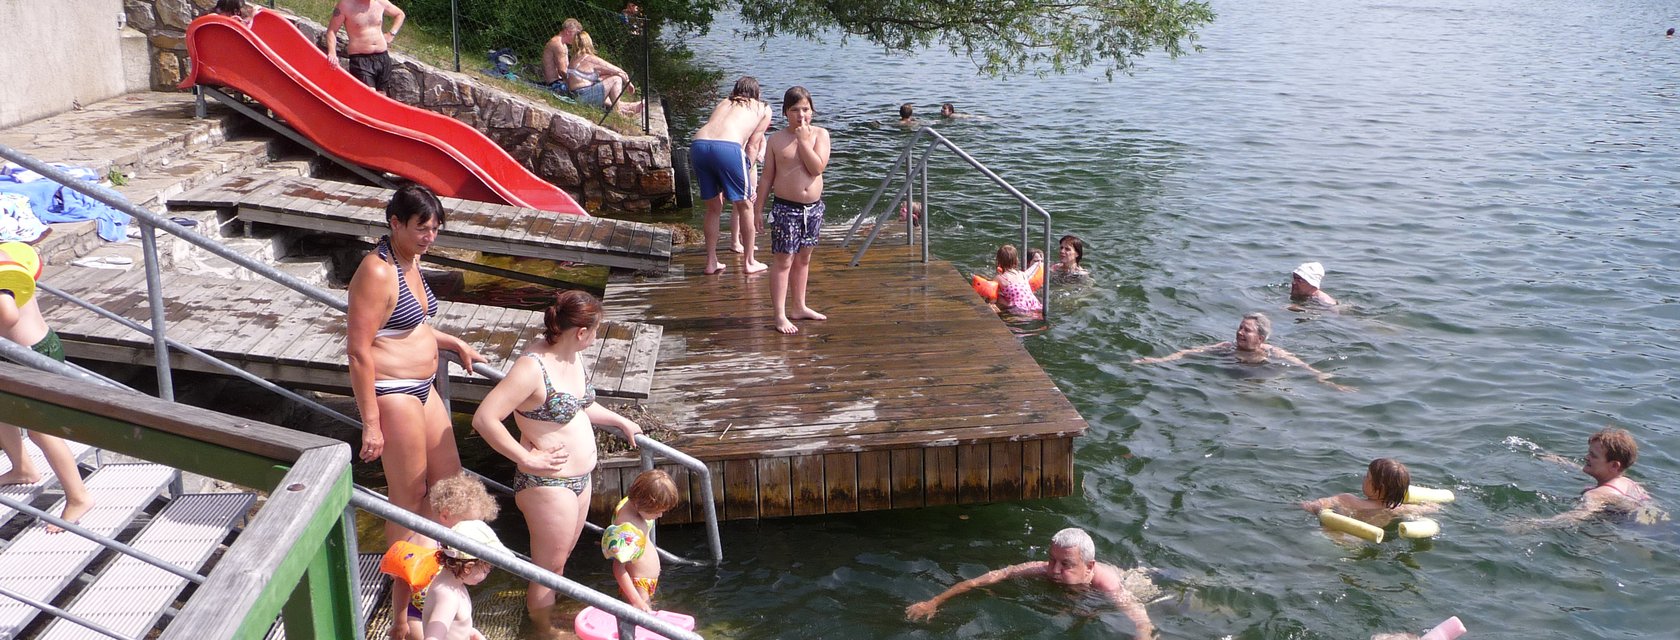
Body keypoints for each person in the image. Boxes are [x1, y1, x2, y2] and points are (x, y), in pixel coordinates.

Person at [470, 290, 642, 638]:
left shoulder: (572, 355)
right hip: (548, 485)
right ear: (581, 332)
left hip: (579, 479)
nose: (596, 336)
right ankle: (542, 630)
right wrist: (527, 458)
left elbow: (579, 406)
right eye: (596, 330)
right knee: (548, 568)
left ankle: (544, 620)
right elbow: (485, 419)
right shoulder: (533, 368)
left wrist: (619, 421)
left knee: (559, 563)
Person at [347, 185, 487, 551]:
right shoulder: (377, 272)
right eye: (422, 228)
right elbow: (359, 351)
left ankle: (426, 562)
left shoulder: (410, 258)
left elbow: (412, 324)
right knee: (409, 495)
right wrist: (372, 425)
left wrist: (454, 342)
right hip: (394, 392)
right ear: (395, 223)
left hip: (425, 388)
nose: (430, 237)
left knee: (447, 483)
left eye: (436, 229)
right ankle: (403, 594)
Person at [904, 527, 1155, 637]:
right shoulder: (1041, 569)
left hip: (1138, 580)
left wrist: (1141, 636)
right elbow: (987, 579)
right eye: (1050, 560)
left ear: (1089, 566)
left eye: (1065, 564)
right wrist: (934, 601)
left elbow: (1142, 620)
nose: (1053, 570)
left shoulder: (1109, 585)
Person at [0, 242, 94, 534]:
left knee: (42, 430)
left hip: (32, 355)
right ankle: (23, 468)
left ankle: (79, 497)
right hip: (19, 350)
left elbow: (8, 315)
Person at [756, 86, 832, 334]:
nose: (801, 115)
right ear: (785, 112)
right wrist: (758, 209)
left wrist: (803, 141)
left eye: (805, 110)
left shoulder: (821, 135)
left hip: (813, 209)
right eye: (795, 110)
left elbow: (816, 168)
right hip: (785, 208)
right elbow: (767, 177)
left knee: (804, 258)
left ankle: (799, 306)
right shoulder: (776, 139)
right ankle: (779, 315)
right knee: (783, 260)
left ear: (812, 110)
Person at [387, 472, 500, 640]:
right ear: (446, 515)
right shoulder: (424, 543)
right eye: (469, 523)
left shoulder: (453, 546)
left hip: (445, 609)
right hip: (417, 612)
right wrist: (400, 622)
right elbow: (402, 583)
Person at [1132, 312, 1354, 391]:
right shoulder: (1225, 347)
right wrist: (1158, 360)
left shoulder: (1273, 352)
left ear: (1260, 338)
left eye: (1246, 330)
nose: (1239, 332)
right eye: (1239, 327)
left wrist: (1326, 380)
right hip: (1233, 378)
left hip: (1262, 378)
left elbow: (1303, 366)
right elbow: (1189, 352)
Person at [692, 77, 773, 275]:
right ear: (757, 94)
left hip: (698, 145)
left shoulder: (724, 102)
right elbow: (753, 145)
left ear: (735, 91)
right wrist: (748, 172)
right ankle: (749, 262)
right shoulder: (762, 107)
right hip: (727, 147)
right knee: (745, 205)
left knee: (713, 208)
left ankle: (711, 262)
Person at [1532, 426, 1663, 525]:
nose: (1586, 457)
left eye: (1593, 456)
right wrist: (1562, 463)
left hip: (1634, 533)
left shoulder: (1597, 495)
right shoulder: (1629, 483)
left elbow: (1577, 516)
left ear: (1614, 466)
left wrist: (1533, 524)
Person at [603, 469, 680, 613]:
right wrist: (637, 601)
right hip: (638, 585)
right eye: (657, 511)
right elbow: (618, 569)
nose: (660, 515)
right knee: (644, 619)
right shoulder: (627, 529)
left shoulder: (631, 503)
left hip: (645, 582)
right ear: (640, 504)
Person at [422, 519, 509, 640]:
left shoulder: (454, 585)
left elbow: (457, 628)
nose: (487, 574)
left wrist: (473, 634)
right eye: (486, 570)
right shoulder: (447, 597)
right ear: (468, 567)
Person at [1300, 458, 1439, 528]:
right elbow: (1432, 508)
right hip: (1359, 541)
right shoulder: (1399, 509)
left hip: (1332, 537)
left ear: (1377, 487)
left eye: (1367, 476)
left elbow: (1315, 505)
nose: (1363, 478)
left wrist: (1314, 508)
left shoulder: (1348, 500)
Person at [542, 19, 642, 115]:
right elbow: (563, 71)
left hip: (562, 85)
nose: (576, 38)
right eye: (575, 34)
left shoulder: (566, 48)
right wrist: (571, 85)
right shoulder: (559, 45)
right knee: (613, 80)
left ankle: (625, 107)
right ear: (568, 32)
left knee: (600, 82)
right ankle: (621, 109)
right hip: (557, 85)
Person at [325, 0, 405, 93]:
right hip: (361, 60)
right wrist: (332, 53)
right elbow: (331, 31)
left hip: (382, 57)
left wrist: (391, 34)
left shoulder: (380, 2)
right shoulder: (345, 5)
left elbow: (400, 14)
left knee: (381, 96)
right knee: (368, 95)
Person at [990, 244, 1042, 317]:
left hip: (1018, 309)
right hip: (1034, 304)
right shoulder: (1022, 274)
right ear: (1016, 260)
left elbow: (993, 300)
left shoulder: (999, 278)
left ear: (998, 261)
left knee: (997, 295)